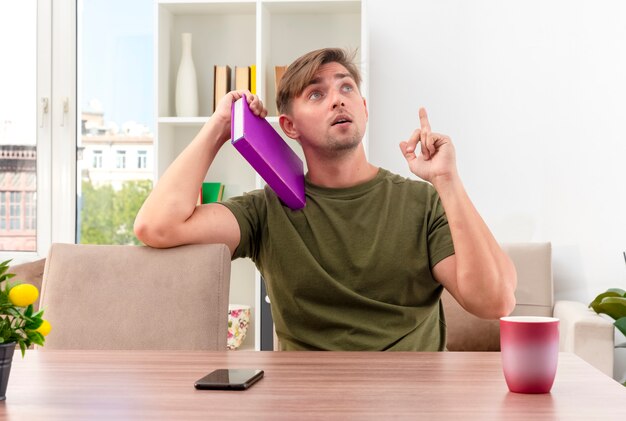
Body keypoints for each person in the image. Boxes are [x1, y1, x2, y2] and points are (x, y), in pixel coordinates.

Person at [134, 48, 517, 351]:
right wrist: (221, 126)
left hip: (411, 399)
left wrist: (447, 181)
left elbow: (494, 302)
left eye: (346, 87)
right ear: (289, 127)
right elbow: (156, 225)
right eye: (317, 93)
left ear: (364, 109)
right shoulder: (265, 211)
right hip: (307, 402)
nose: (337, 100)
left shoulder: (423, 202)